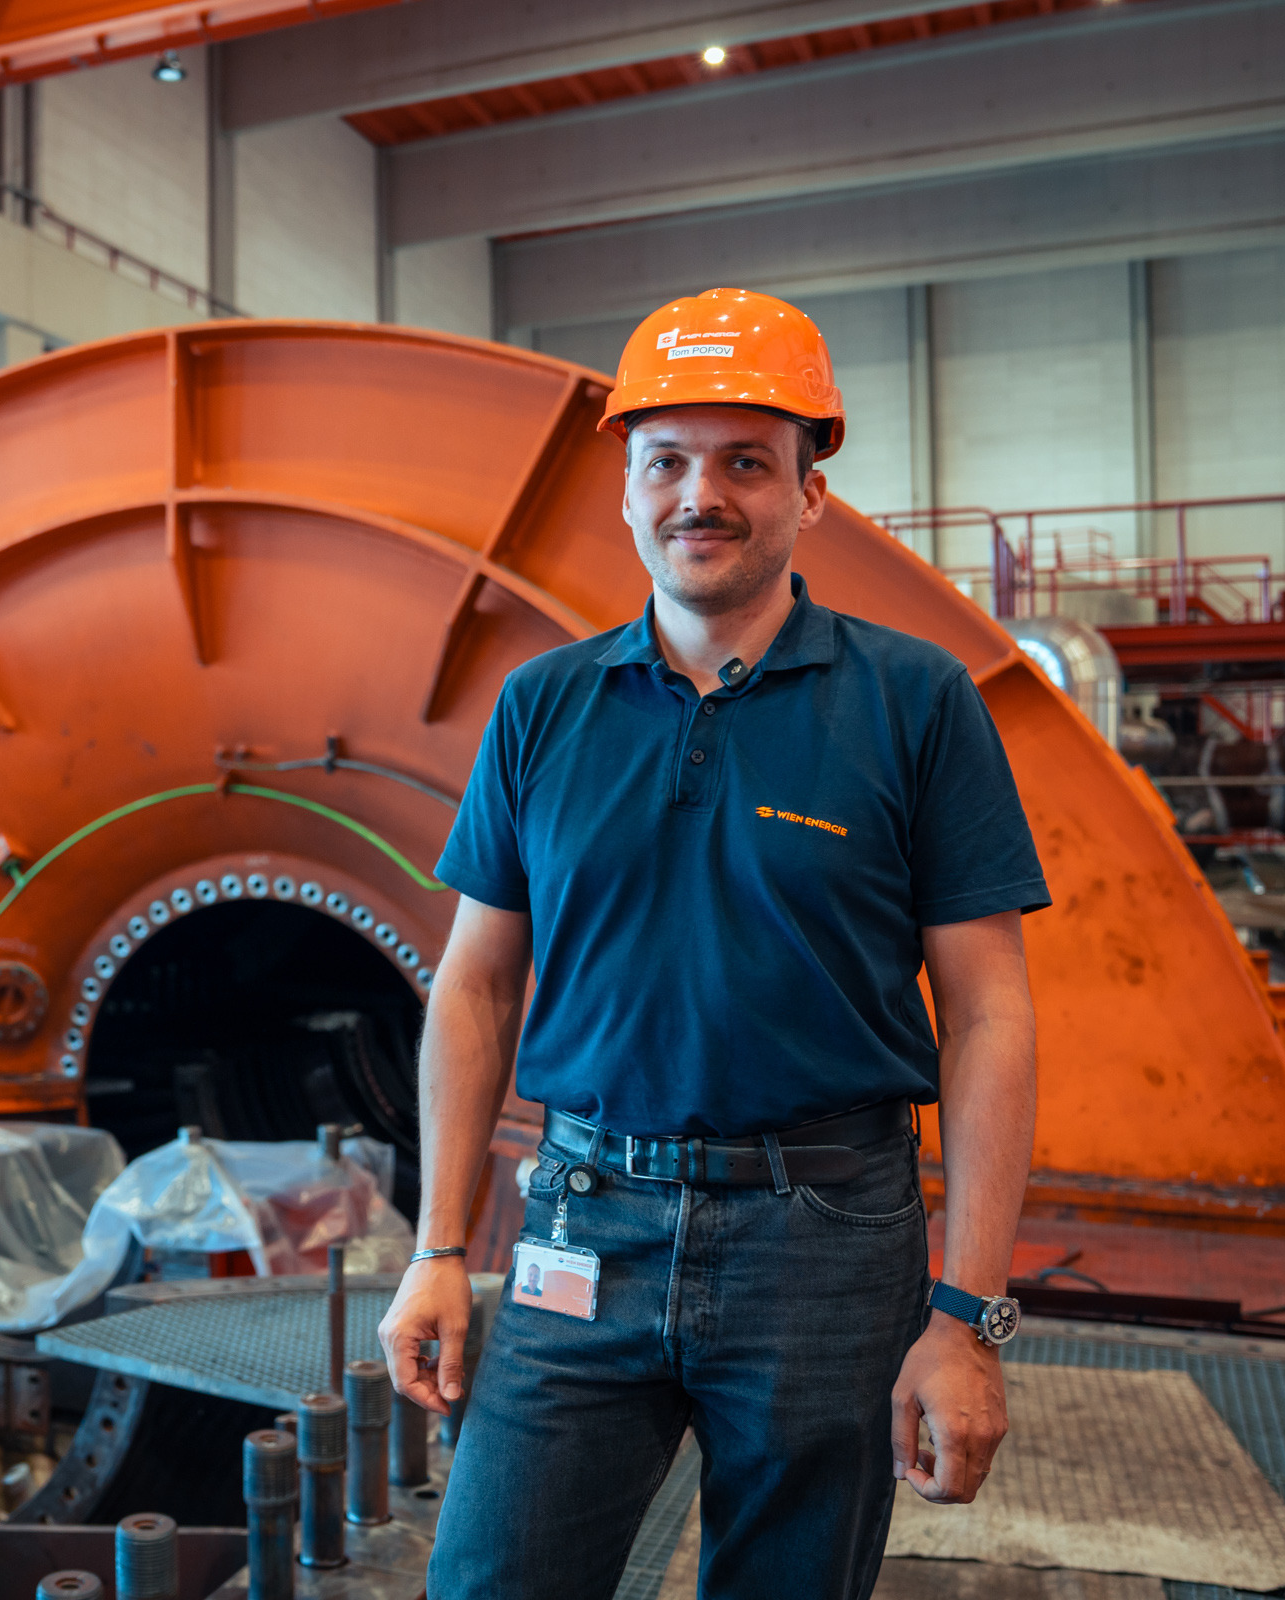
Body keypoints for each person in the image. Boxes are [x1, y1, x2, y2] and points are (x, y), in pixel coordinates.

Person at [378, 287, 1048, 1600]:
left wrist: (966, 1317)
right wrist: (439, 1248)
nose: (704, 494)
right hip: (580, 1222)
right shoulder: (544, 706)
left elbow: (989, 1014)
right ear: (626, 491)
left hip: (827, 1241)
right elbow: (476, 982)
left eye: (748, 461)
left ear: (810, 495)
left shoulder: (917, 703)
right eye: (668, 461)